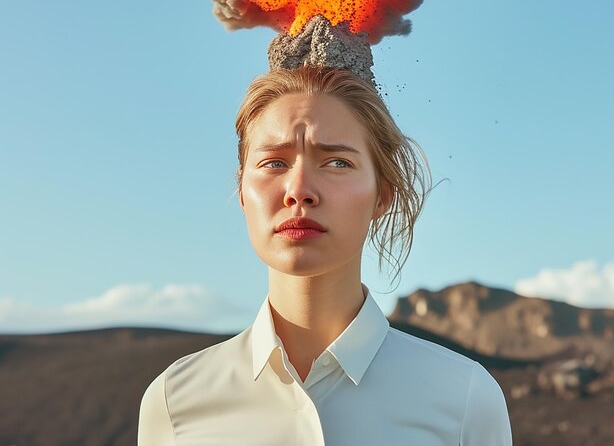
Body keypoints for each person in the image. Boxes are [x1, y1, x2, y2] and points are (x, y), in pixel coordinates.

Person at [138, 65, 512, 445]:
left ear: (382, 194)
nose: (299, 190)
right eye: (274, 163)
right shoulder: (173, 402)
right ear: (241, 191)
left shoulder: (465, 398)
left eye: (337, 162)